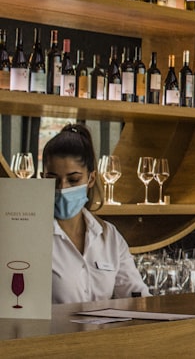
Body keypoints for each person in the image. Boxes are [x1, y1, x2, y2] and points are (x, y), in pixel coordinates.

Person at [43, 123, 149, 303]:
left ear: (91, 178)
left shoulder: (110, 237)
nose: (62, 188)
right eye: (52, 179)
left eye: (73, 179)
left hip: (102, 332)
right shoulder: (29, 236)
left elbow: (136, 296)